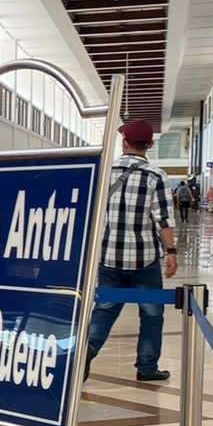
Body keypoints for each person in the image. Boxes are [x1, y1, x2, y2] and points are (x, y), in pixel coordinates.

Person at [86, 120, 177, 382]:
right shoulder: (156, 175)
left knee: (104, 308)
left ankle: (88, 351)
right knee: (151, 314)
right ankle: (147, 368)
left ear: (124, 142)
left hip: (108, 256)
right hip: (145, 259)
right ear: (149, 145)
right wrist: (170, 252)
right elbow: (164, 220)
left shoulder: (103, 171)